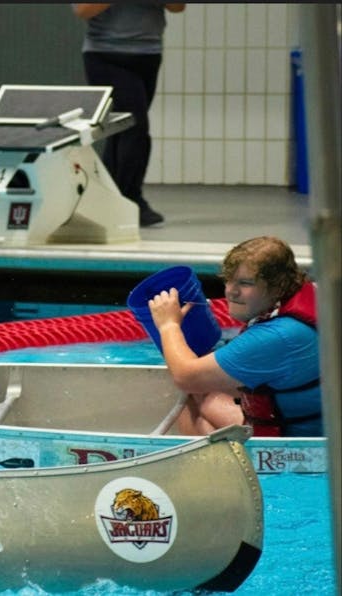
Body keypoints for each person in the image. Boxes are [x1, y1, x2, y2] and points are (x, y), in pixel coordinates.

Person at [148, 236, 321, 437]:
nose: (231, 291)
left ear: (277, 286)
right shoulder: (308, 297)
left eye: (245, 283)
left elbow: (185, 377)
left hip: (293, 447)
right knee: (201, 394)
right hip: (304, 419)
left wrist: (169, 325)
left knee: (187, 394)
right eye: (228, 280)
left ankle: (197, 466)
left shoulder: (278, 336)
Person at [73, 3, 185, 228]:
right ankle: (130, 199)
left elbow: (178, 6)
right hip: (105, 55)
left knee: (121, 131)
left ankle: (107, 199)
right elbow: (83, 10)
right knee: (136, 127)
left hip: (148, 54)